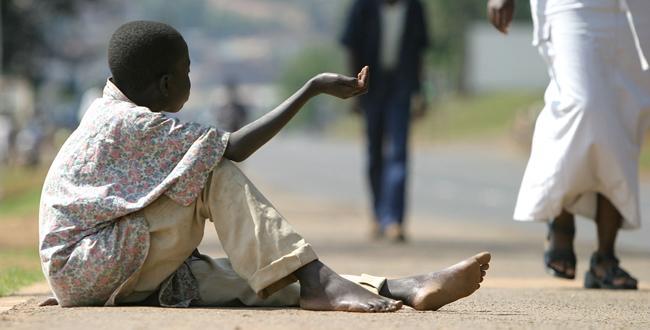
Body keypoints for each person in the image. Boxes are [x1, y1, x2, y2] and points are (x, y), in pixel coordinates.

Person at [39, 21, 491, 311]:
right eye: (188, 71)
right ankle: (323, 285)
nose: (190, 81)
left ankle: (401, 286)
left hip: (102, 268)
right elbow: (231, 148)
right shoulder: (132, 121)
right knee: (214, 171)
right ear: (165, 84)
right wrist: (310, 89)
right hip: (94, 264)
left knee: (260, 277)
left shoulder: (111, 112)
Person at [487, 0, 650, 289]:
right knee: (581, 103)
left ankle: (605, 257)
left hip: (634, 9)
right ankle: (560, 213)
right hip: (573, 7)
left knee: (625, 114)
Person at [340, 0, 429, 242]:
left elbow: (420, 50)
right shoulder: (363, 6)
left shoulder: (414, 7)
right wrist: (353, 90)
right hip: (370, 87)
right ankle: (378, 215)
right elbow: (351, 46)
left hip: (402, 86)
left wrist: (420, 93)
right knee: (374, 153)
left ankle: (395, 221)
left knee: (399, 152)